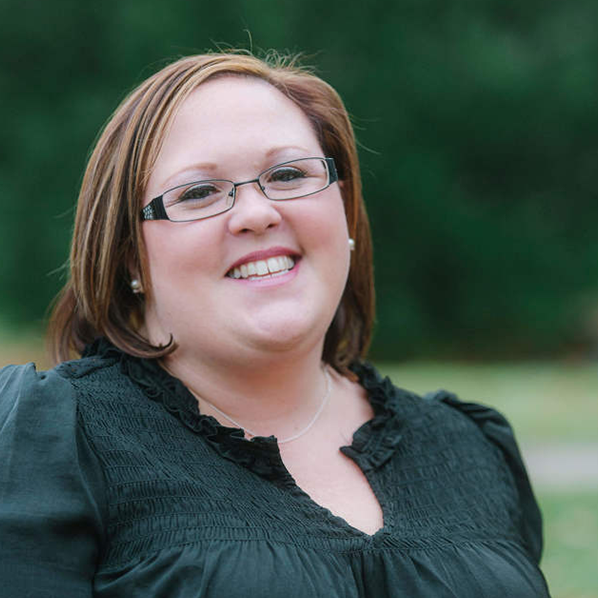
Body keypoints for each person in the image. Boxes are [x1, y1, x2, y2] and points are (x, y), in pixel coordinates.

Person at [0, 51, 550, 597]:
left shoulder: (472, 447)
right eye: (198, 193)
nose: (258, 212)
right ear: (128, 257)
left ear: (344, 205)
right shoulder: (53, 439)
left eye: (287, 174)